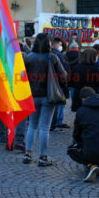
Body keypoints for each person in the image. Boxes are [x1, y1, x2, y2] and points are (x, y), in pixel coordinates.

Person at [23, 33, 67, 166]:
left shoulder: (29, 57)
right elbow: (64, 75)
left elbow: (22, 76)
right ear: (48, 43)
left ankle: (27, 154)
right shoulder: (52, 57)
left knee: (32, 126)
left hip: (32, 95)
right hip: (49, 95)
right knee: (44, 128)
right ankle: (43, 158)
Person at [51, 37, 69, 129]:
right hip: (58, 82)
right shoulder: (58, 55)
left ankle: (52, 122)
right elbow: (64, 69)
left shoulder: (48, 54)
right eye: (60, 44)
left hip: (49, 82)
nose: (61, 46)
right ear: (56, 44)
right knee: (58, 102)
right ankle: (56, 122)